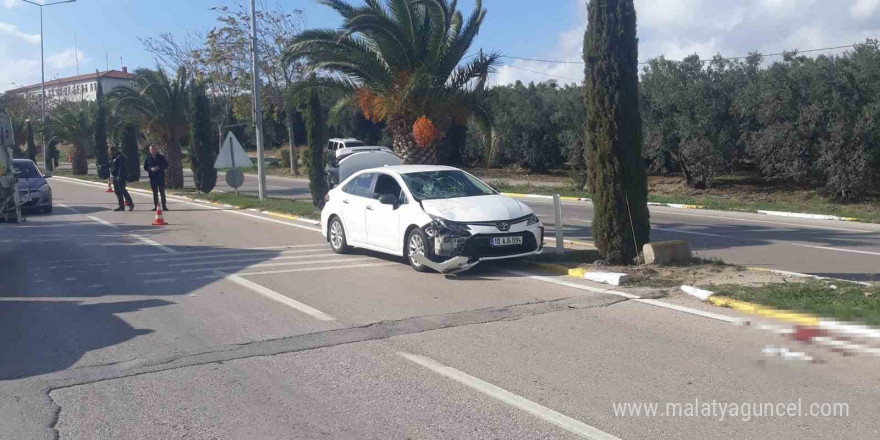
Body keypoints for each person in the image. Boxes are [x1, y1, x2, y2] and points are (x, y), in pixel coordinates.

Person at [143, 144, 168, 211]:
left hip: (160, 177)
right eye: (151, 149)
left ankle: (164, 206)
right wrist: (150, 169)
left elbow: (166, 165)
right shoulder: (147, 158)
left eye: (154, 149)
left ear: (156, 150)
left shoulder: (161, 157)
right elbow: (145, 167)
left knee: (162, 192)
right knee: (155, 192)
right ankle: (156, 206)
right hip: (152, 177)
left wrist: (159, 167)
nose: (153, 151)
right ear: (149, 150)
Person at [109, 147, 134, 211]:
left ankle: (130, 204)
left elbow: (121, 167)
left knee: (123, 191)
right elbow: (111, 164)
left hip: (121, 177)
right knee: (117, 192)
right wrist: (102, 166)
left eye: (111, 152)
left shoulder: (120, 157)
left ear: (114, 151)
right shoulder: (114, 157)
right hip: (115, 177)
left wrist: (119, 176)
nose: (110, 153)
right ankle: (121, 206)